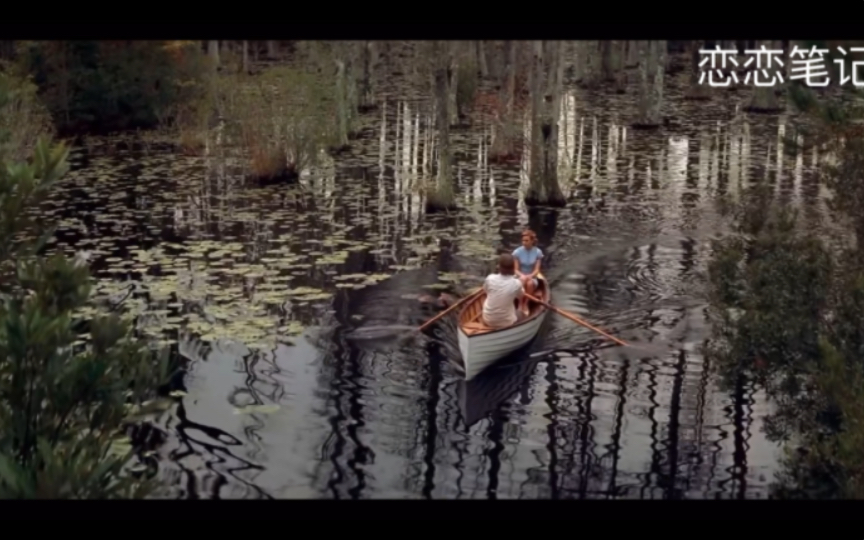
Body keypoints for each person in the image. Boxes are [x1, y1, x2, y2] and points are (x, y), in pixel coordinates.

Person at [482, 253, 525, 328]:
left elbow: (485, 291)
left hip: (487, 319)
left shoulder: (490, 278)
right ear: (513, 268)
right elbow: (520, 296)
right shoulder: (516, 283)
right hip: (506, 322)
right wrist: (522, 284)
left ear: (499, 266)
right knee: (522, 314)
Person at [513, 229, 543, 314]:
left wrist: (530, 276)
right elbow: (516, 270)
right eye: (523, 240)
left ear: (532, 241)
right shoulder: (517, 252)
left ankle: (525, 304)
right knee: (522, 281)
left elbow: (537, 270)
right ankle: (519, 304)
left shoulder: (538, 252)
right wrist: (522, 275)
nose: (524, 242)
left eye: (526, 241)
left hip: (532, 276)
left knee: (529, 283)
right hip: (520, 275)